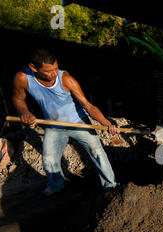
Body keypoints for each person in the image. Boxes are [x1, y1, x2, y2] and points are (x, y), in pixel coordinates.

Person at [12, 47, 120, 196]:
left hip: (79, 122)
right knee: (49, 158)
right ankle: (56, 186)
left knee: (97, 152)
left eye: (56, 68)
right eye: (49, 71)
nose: (54, 73)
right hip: (53, 125)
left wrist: (107, 124)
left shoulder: (67, 80)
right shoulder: (22, 78)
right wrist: (25, 112)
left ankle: (111, 186)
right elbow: (18, 99)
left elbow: (88, 106)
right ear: (33, 67)